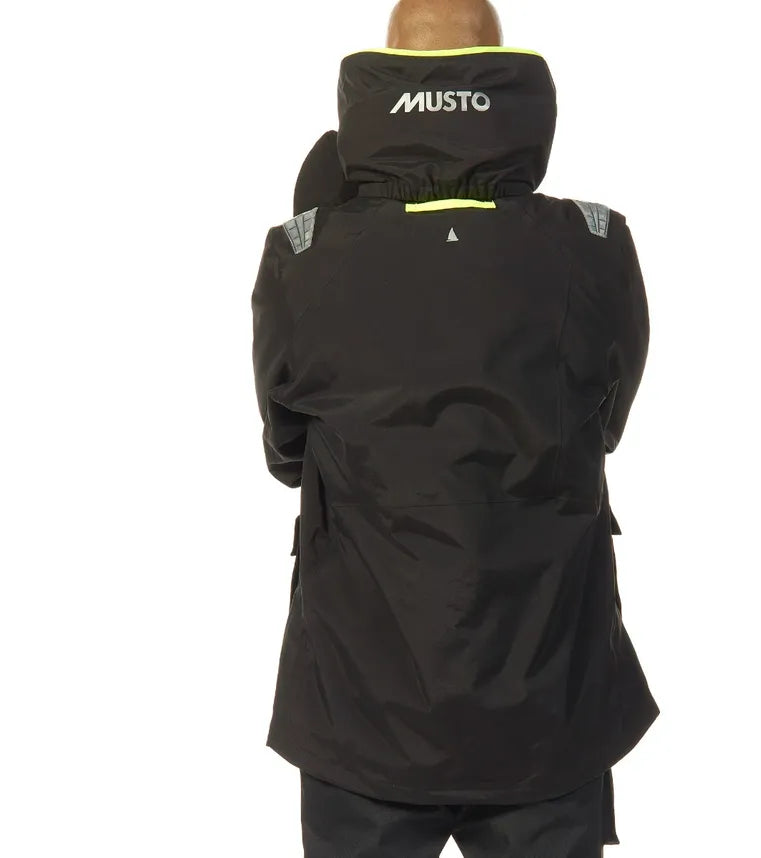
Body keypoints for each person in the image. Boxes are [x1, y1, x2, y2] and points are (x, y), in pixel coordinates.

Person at [250, 1, 660, 854]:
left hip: (361, 712)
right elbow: (605, 425)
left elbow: (288, 454)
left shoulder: (303, 250)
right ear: (506, 78)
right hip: (548, 703)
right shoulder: (594, 244)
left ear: (381, 81)